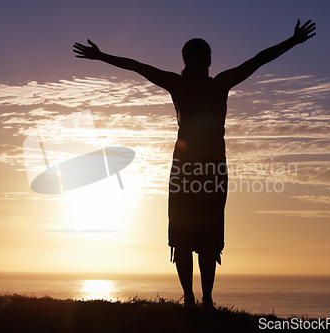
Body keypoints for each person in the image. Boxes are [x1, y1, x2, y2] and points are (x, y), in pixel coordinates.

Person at [73, 19, 316, 309]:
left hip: (186, 168)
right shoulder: (220, 83)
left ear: (185, 60)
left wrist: (102, 56)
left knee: (184, 236)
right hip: (212, 169)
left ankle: (191, 298)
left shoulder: (179, 83)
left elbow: (138, 66)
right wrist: (292, 41)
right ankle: (206, 299)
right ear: (209, 60)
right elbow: (258, 60)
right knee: (207, 237)